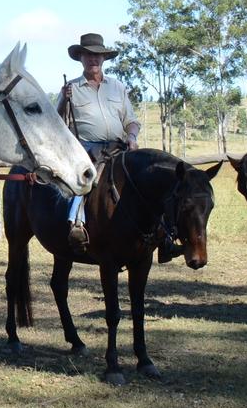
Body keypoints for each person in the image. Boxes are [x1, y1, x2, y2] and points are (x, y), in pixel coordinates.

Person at [56, 33, 177, 260]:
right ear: (81, 57)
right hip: (87, 147)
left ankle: (164, 236)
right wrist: (63, 99)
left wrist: (131, 137)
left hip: (120, 145)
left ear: (103, 58)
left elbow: (131, 120)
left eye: (98, 56)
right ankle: (77, 223)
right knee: (85, 179)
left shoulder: (117, 87)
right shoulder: (71, 89)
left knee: (150, 181)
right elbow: (58, 122)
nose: (94, 60)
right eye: (89, 55)